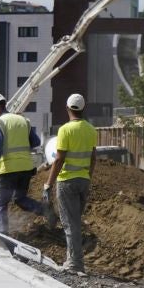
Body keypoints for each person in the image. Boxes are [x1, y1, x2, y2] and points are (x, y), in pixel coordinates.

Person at [0, 92, 45, 236]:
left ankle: (2, 234)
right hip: (26, 168)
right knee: (20, 199)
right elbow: (36, 142)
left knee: (1, 204)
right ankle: (45, 210)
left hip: (9, 169)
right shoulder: (23, 120)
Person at [47, 92, 98, 274]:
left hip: (66, 181)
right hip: (83, 181)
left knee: (70, 224)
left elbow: (59, 159)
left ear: (67, 108)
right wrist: (87, 177)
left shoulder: (65, 130)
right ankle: (73, 260)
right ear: (83, 109)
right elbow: (93, 159)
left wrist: (48, 184)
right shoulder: (91, 130)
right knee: (75, 222)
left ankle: (75, 263)